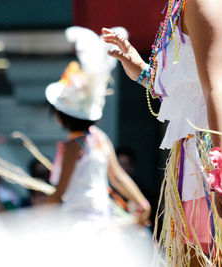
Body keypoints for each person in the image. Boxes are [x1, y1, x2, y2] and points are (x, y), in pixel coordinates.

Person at [103, 0, 222, 266]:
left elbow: (217, 91)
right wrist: (140, 70)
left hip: (221, 151)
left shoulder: (204, 2)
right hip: (220, 150)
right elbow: (192, 91)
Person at [45, 26, 151, 229]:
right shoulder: (99, 138)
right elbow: (118, 176)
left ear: (61, 117)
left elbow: (60, 192)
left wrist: (33, 217)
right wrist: (142, 202)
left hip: (81, 226)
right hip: (103, 222)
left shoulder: (74, 146)